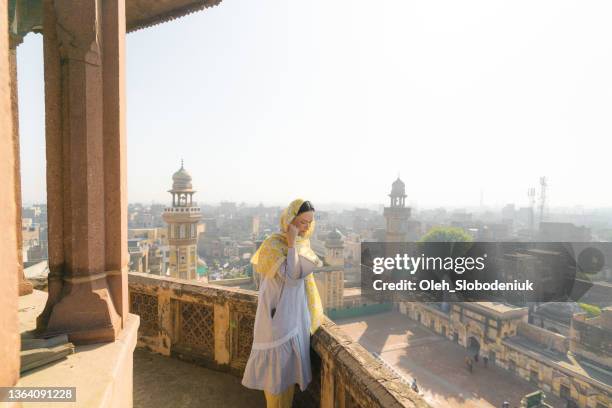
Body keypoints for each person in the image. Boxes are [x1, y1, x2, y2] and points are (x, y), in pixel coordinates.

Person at [241, 199, 324, 408]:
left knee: (287, 375)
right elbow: (291, 278)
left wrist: (295, 245)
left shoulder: (303, 245)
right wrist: (290, 244)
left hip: (295, 320)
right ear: (289, 219)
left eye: (309, 223)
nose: (305, 227)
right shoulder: (273, 244)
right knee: (275, 377)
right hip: (276, 320)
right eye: (302, 222)